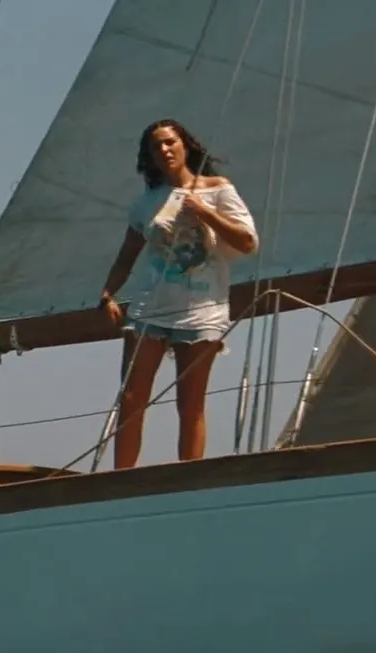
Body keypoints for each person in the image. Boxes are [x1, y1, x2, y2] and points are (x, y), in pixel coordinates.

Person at [97, 118, 257, 469]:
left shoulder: (218, 189)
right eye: (156, 146)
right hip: (150, 306)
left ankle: (188, 479)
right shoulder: (146, 203)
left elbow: (247, 242)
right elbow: (126, 256)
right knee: (132, 397)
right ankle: (121, 478)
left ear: (186, 145)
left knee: (190, 402)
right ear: (149, 156)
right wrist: (108, 294)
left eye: (170, 142)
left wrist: (205, 212)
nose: (164, 149)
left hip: (202, 310)